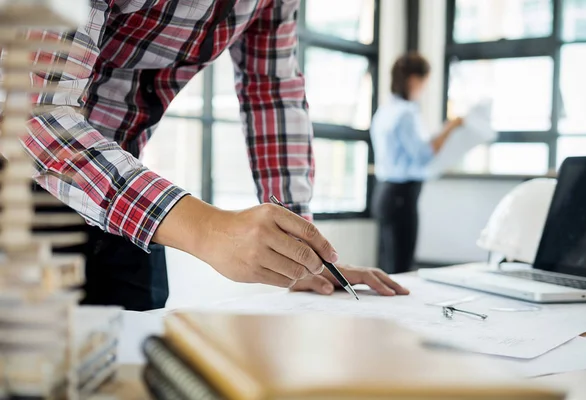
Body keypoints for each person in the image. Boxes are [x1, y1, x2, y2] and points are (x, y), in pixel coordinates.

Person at [23, 0, 409, 311]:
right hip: (20, 180)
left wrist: (299, 252)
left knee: (141, 357)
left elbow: (272, 95)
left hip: (117, 184)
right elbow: (39, 117)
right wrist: (208, 229)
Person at [370, 53, 463, 275]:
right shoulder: (406, 113)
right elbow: (424, 154)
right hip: (401, 196)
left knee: (387, 266)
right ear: (413, 79)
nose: (424, 88)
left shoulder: (385, 111)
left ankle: (383, 311)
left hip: (384, 192)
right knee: (401, 269)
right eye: (424, 82)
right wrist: (450, 127)